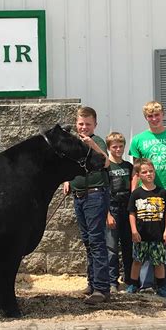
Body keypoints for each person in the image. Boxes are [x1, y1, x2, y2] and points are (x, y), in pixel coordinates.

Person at [128, 101, 166, 296]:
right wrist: (134, 194)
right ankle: (146, 284)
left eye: (157, 115)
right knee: (147, 239)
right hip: (146, 198)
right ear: (146, 118)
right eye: (150, 116)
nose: (154, 119)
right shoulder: (139, 140)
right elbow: (135, 171)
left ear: (163, 115)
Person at [63, 106, 111, 304]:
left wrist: (93, 145)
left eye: (88, 124)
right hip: (80, 195)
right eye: (81, 124)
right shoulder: (75, 143)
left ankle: (102, 289)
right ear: (76, 124)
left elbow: (107, 163)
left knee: (97, 241)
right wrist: (67, 180)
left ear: (95, 125)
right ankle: (92, 283)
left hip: (95, 195)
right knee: (88, 241)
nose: (84, 127)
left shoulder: (97, 141)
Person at [126, 159, 166, 297]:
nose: (148, 174)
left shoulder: (162, 193)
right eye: (144, 172)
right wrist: (134, 230)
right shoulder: (136, 194)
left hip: (157, 235)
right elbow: (131, 213)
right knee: (137, 261)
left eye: (151, 171)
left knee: (159, 262)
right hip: (141, 235)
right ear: (139, 175)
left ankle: (162, 286)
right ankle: (133, 284)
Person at [105, 132, 133, 293]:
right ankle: (112, 281)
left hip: (127, 209)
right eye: (114, 147)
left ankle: (129, 279)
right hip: (112, 209)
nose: (118, 149)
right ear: (109, 148)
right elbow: (103, 192)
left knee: (128, 246)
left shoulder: (128, 167)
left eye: (121, 146)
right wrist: (107, 214)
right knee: (112, 247)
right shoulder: (106, 167)